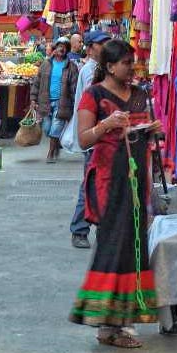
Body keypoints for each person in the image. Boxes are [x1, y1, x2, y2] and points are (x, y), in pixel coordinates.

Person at [69, 40, 162, 348]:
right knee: (112, 245)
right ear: (109, 66)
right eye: (125, 63)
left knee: (133, 248)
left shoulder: (138, 94)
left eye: (132, 62)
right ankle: (108, 324)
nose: (131, 68)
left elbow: (141, 129)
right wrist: (106, 124)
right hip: (108, 182)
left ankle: (118, 323)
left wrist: (152, 130)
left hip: (135, 181)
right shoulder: (93, 96)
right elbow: (83, 140)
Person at [61, 29, 112, 249]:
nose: (106, 48)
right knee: (90, 185)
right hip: (94, 136)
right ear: (91, 49)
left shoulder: (98, 69)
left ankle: (98, 228)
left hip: (99, 135)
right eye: (102, 44)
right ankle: (79, 229)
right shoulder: (91, 71)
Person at [30, 37, 79, 163]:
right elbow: (37, 83)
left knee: (55, 128)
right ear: (55, 48)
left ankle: (50, 153)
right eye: (59, 46)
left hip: (62, 102)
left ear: (67, 50)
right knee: (46, 128)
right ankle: (56, 144)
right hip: (45, 101)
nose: (61, 49)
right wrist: (33, 99)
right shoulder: (46, 64)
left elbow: (74, 87)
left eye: (64, 47)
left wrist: (76, 104)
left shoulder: (71, 67)